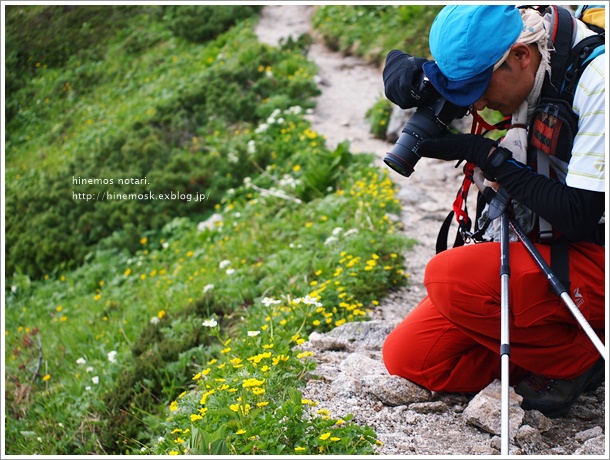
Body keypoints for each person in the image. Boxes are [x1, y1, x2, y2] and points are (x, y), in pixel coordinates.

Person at [381, 5, 605, 418]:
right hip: (554, 241)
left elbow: (582, 215)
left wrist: (484, 154)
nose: (478, 103)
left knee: (448, 276)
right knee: (412, 357)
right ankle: (553, 340)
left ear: (521, 56)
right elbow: (463, 61)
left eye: (479, 87)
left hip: (593, 245)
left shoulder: (599, 83)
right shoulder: (522, 45)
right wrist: (418, 78)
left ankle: (581, 357)